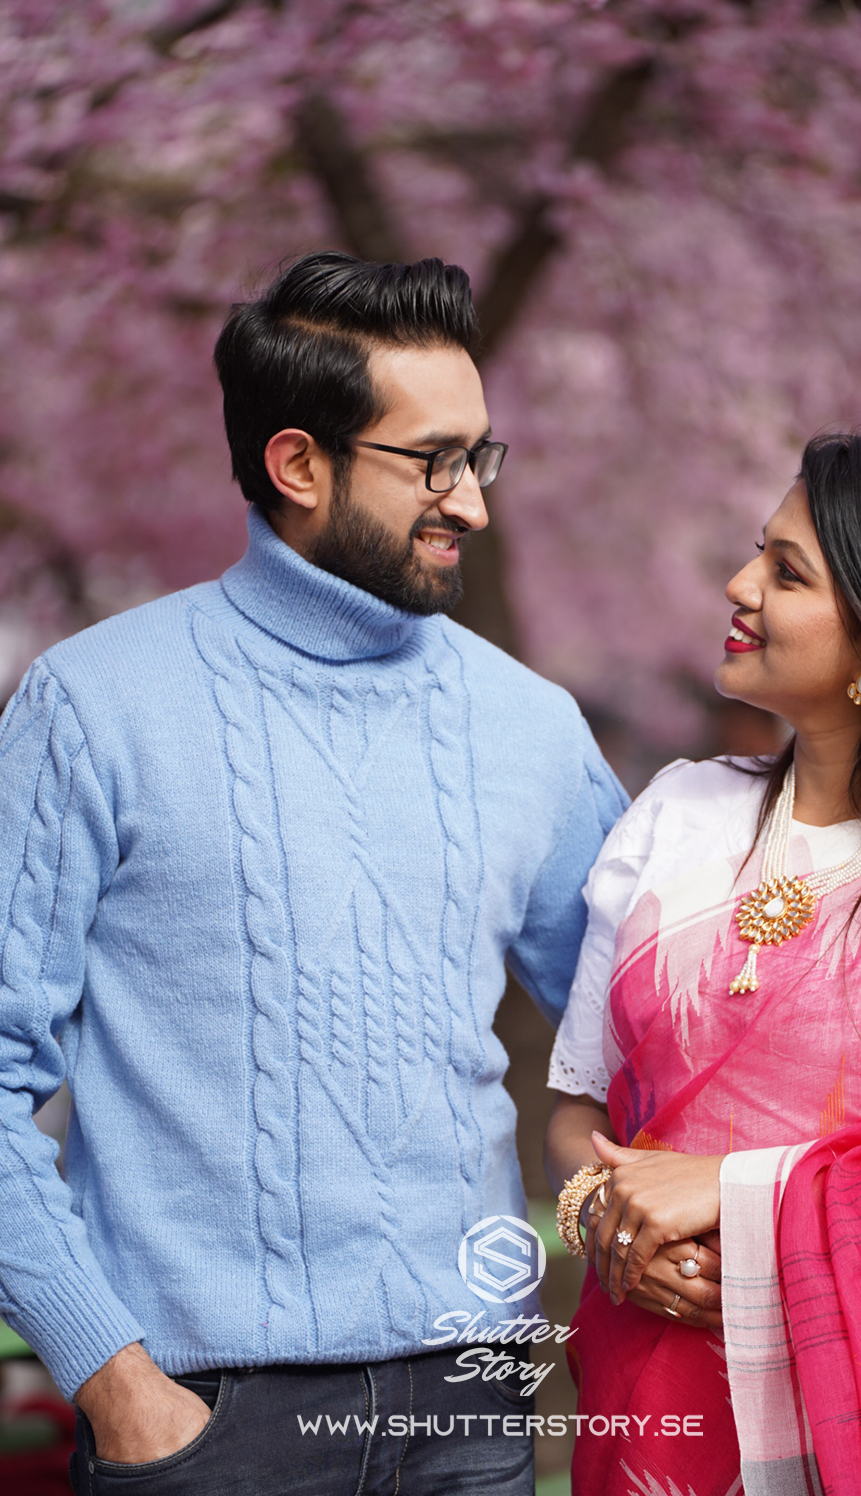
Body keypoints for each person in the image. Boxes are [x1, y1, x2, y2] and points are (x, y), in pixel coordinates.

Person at [0, 251, 628, 1495]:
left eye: (480, 457)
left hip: (474, 1403)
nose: (474, 502)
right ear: (298, 464)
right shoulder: (93, 703)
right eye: (432, 462)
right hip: (202, 1418)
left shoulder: (532, 726)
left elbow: (650, 1023)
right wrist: (112, 1376)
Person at [545, 432, 861, 1496]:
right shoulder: (677, 814)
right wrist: (604, 1222)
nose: (740, 585)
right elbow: (576, 1108)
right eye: (760, 552)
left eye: (787, 572)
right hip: (652, 1403)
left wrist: (734, 1193)